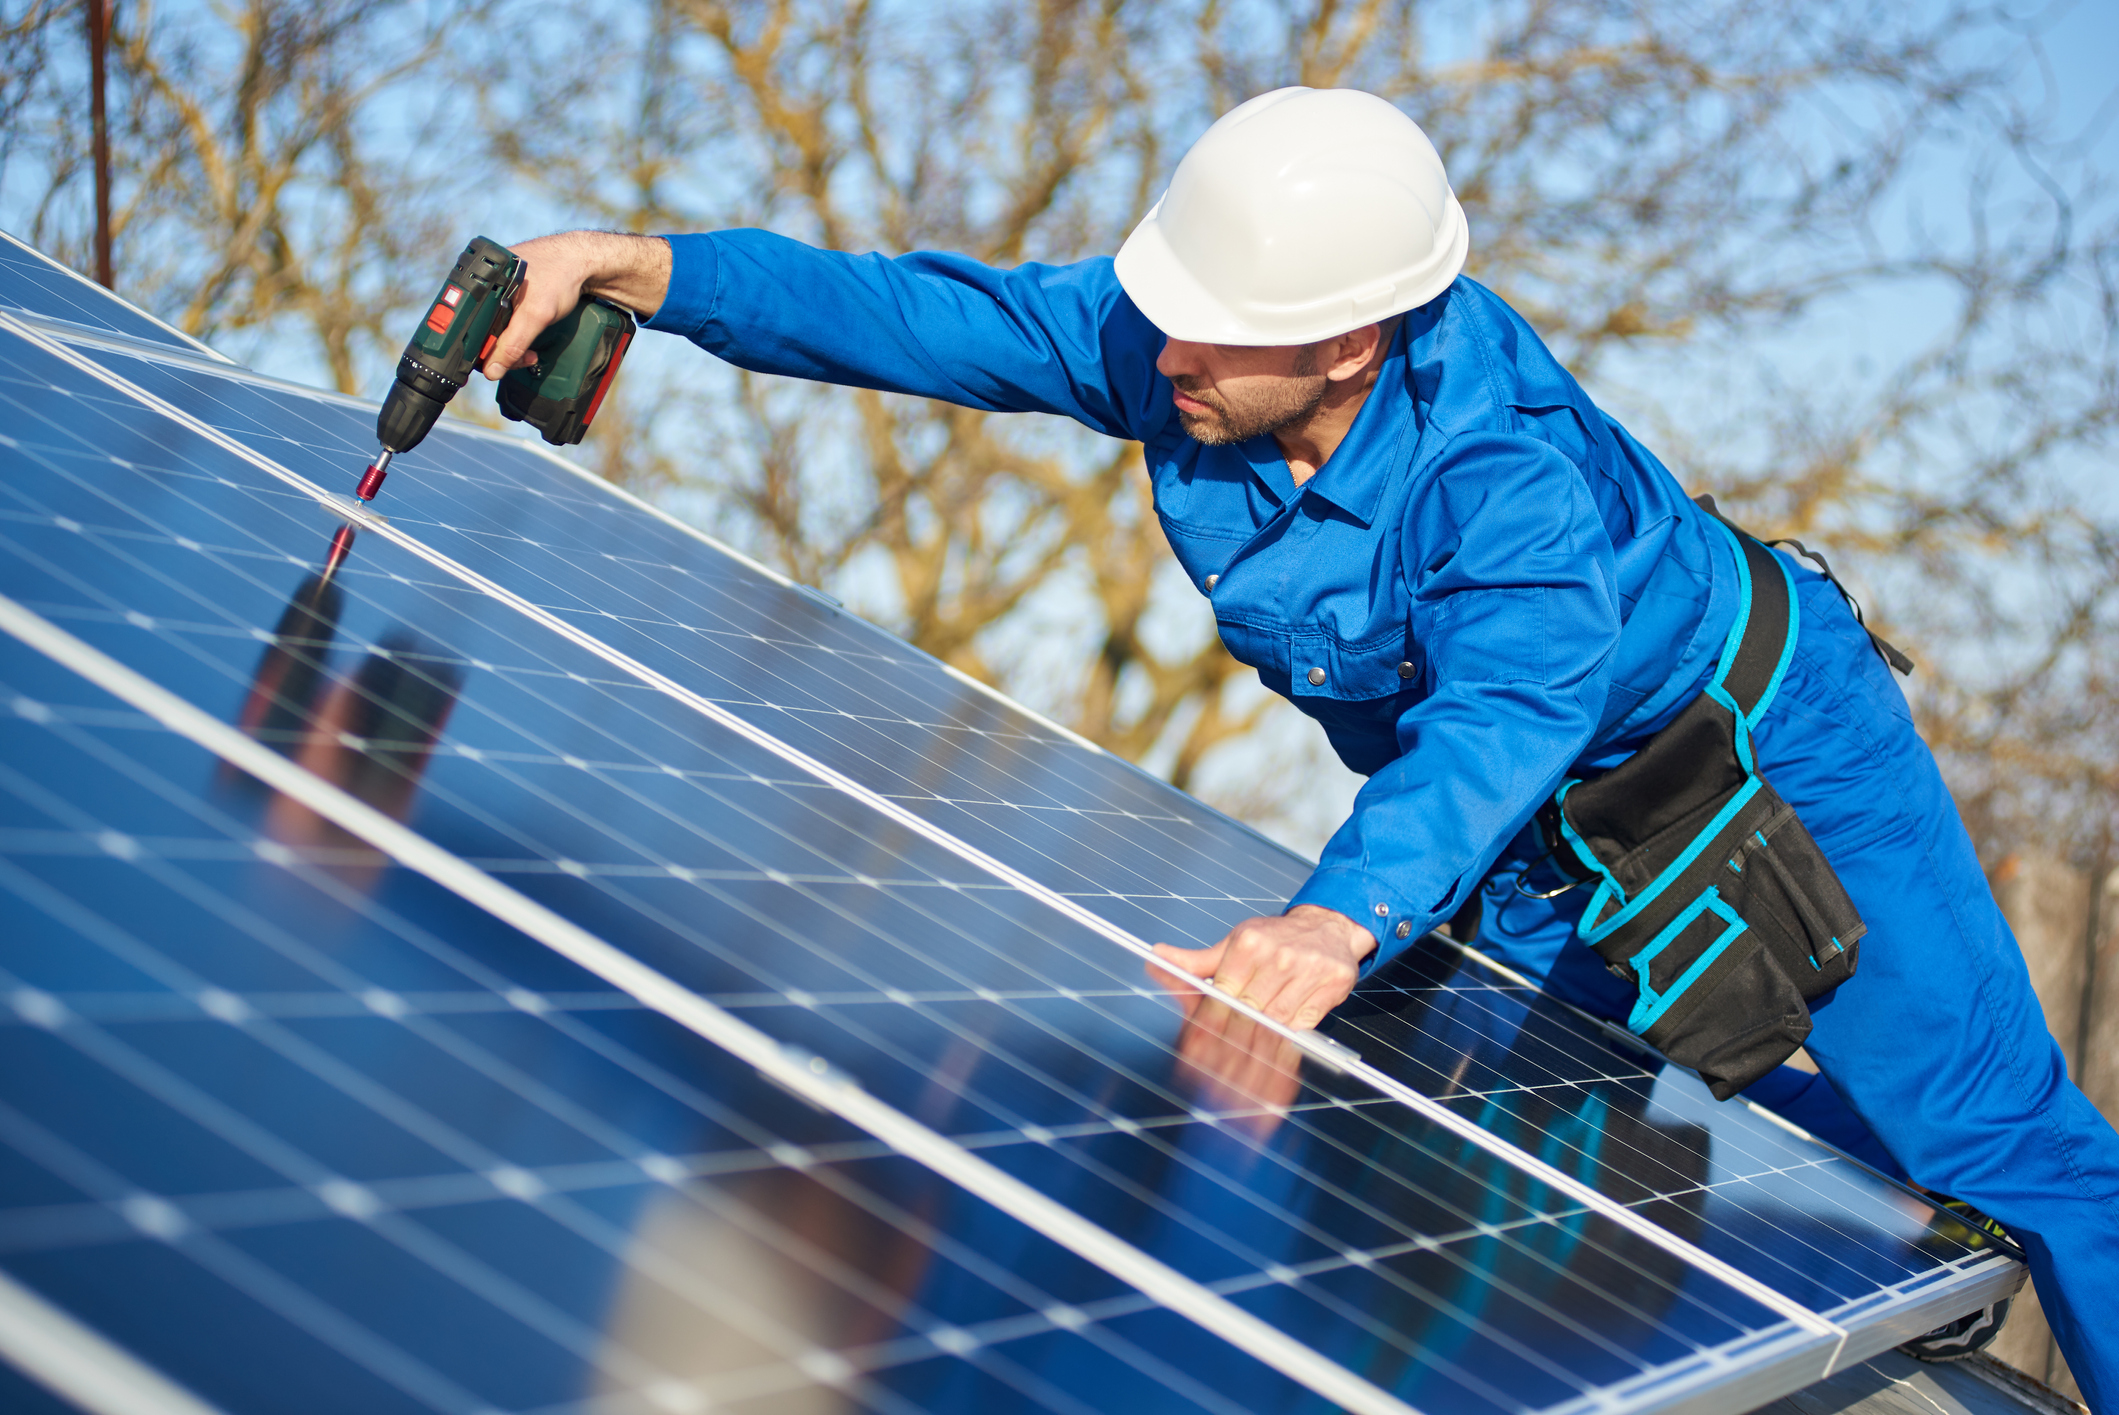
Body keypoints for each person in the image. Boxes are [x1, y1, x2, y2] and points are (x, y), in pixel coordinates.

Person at [484, 87, 2117, 1404]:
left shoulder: (1505, 482)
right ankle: (1866, 1161)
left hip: (1760, 752)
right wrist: (639, 271)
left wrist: (1340, 918)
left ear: (1350, 344)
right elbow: (931, 317)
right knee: (1529, 1122)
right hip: (1517, 823)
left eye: (1206, 333)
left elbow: (1505, 714)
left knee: (2011, 1148)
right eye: (1164, 314)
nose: (1159, 352)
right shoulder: (1186, 351)